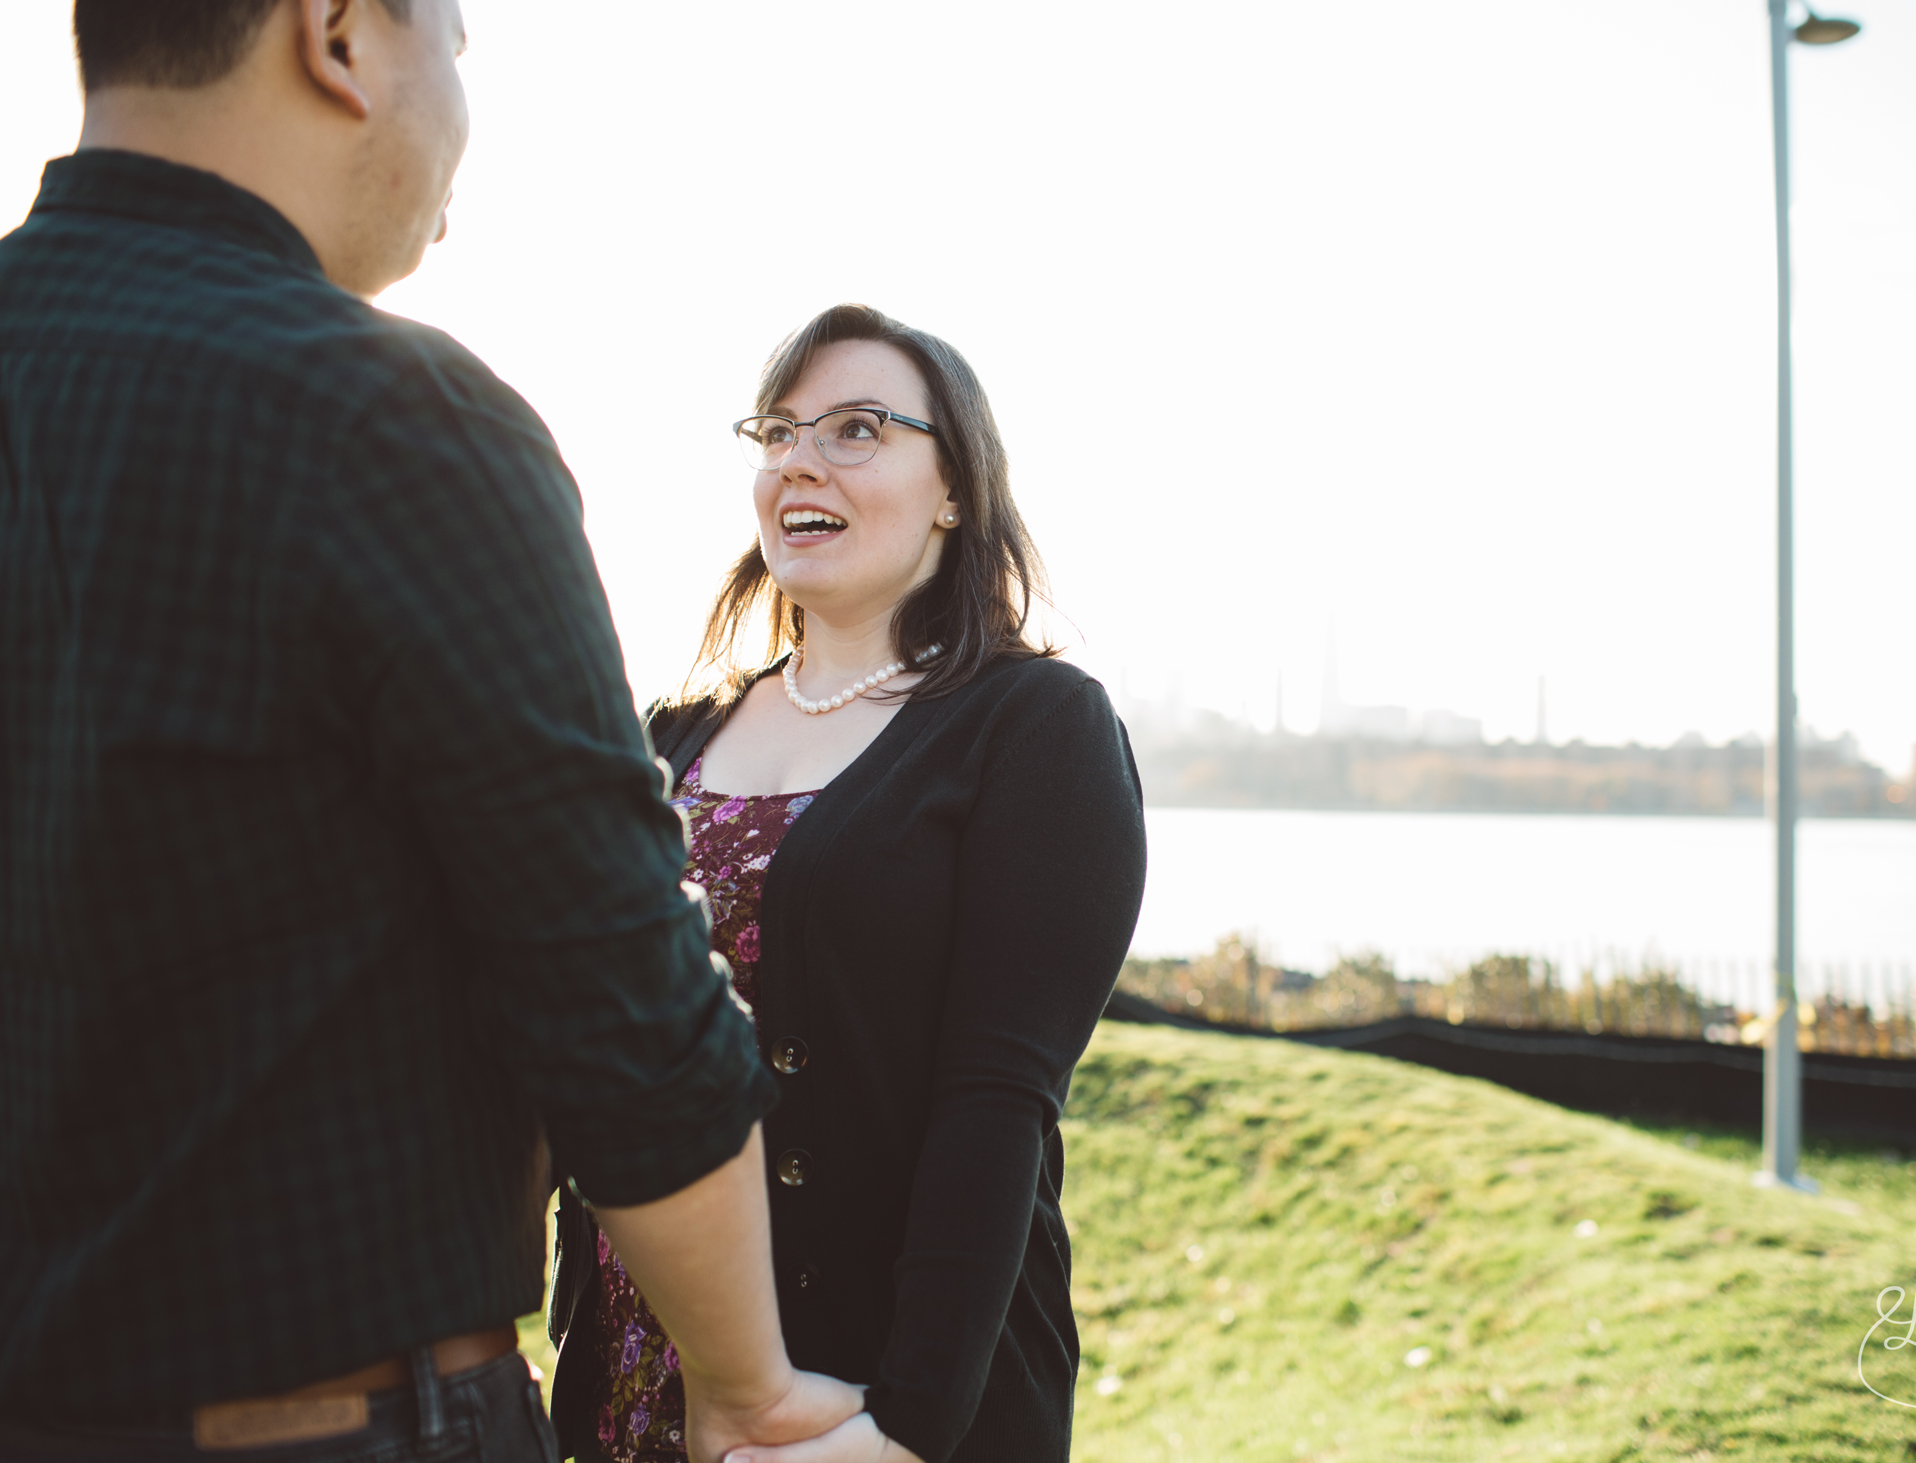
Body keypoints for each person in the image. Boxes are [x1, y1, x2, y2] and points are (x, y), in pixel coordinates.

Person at [0, 2, 860, 1458]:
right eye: (457, 41)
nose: (462, 93)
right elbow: (620, 988)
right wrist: (750, 1386)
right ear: (338, 36)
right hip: (322, 1422)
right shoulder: (391, 421)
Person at [546, 305, 1147, 1463]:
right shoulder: (666, 736)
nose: (799, 460)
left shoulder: (1032, 726)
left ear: (956, 488)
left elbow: (998, 1096)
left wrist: (903, 1430)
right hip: (629, 1382)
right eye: (776, 432)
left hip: (872, 1400)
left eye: (857, 428)